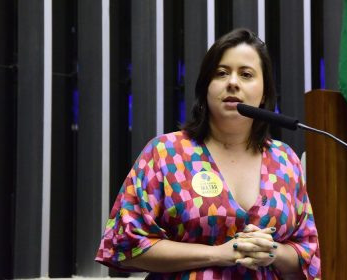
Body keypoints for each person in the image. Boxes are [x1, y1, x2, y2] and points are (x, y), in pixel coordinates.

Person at [95, 28, 321, 279]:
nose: (232, 82)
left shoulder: (284, 159)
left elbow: (308, 256)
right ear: (205, 89)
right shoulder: (166, 153)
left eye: (246, 74)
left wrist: (273, 253)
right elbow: (125, 245)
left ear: (265, 93)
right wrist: (219, 254)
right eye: (221, 73)